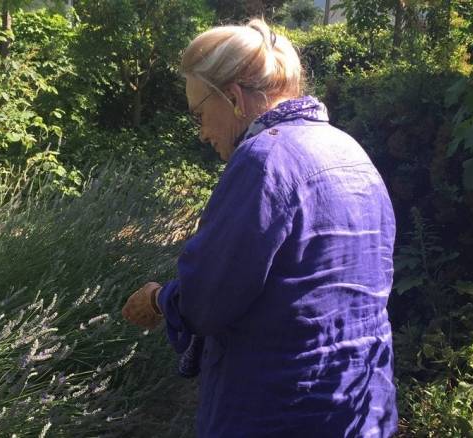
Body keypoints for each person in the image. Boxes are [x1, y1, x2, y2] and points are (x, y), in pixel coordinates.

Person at [121, 18, 398, 437]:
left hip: (280, 412)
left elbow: (205, 301)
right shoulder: (350, 151)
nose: (201, 133)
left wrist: (160, 299)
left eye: (199, 113)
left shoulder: (263, 160)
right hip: (361, 407)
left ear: (232, 97)